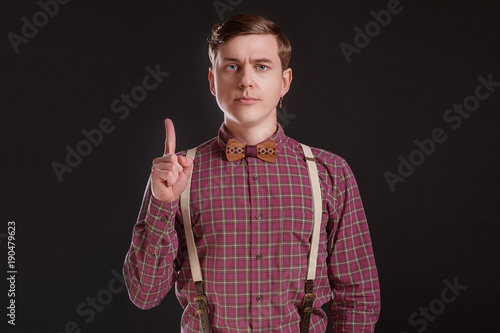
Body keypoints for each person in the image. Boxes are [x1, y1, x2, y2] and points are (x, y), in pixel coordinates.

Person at [123, 13, 380, 333]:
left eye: (261, 66)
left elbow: (358, 297)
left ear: (284, 81)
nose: (246, 80)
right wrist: (162, 203)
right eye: (232, 66)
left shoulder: (331, 173)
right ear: (213, 81)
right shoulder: (175, 175)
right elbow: (144, 294)